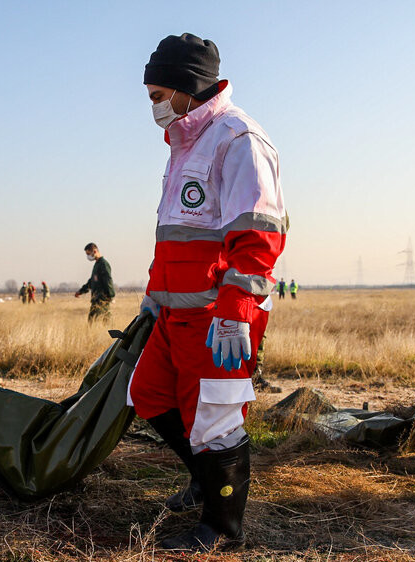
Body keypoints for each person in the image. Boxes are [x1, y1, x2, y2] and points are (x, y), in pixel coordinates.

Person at [128, 34, 287, 551]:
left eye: (158, 94)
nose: (153, 104)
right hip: (175, 313)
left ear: (187, 88)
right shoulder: (184, 143)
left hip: (219, 316)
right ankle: (202, 477)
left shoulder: (238, 139)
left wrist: (237, 307)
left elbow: (259, 231)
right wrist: (155, 293)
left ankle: (222, 528)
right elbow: (173, 231)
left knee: (216, 417)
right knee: (148, 395)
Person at [74, 243, 114, 323]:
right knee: (92, 321)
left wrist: (110, 295)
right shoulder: (97, 265)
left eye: (89, 254)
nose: (88, 256)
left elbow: (108, 281)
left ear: (94, 251)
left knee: (103, 322)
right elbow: (91, 282)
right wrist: (81, 291)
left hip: (102, 299)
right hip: (96, 299)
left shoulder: (103, 264)